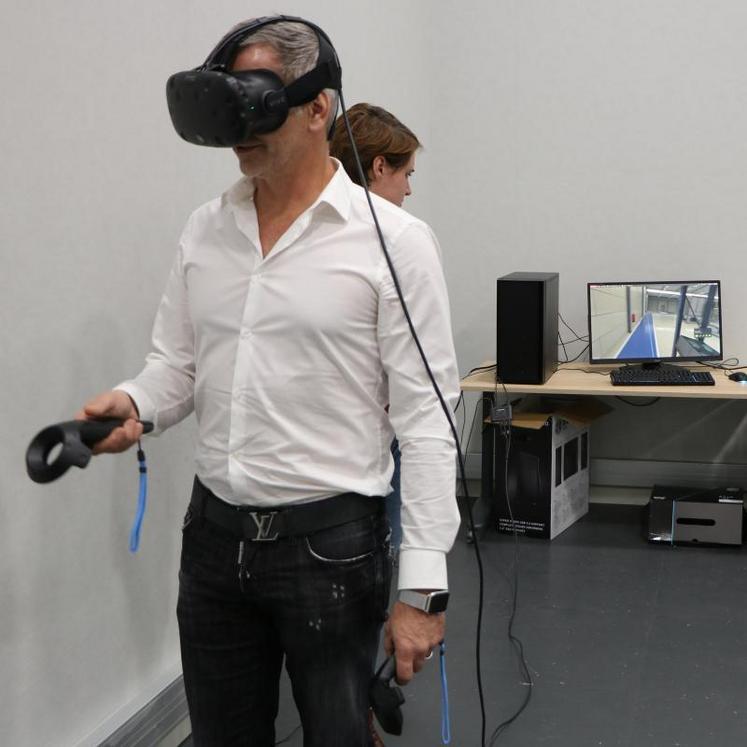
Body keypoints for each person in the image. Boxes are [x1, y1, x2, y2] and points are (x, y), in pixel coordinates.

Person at [76, 17, 460, 747]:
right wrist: (135, 406)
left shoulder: (395, 244)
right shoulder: (205, 229)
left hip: (332, 550)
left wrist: (420, 587)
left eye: (258, 107)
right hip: (214, 542)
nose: (238, 134)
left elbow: (427, 418)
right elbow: (176, 368)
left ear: (320, 110)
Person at [330, 104, 421, 556]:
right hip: (370, 441)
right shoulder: (399, 242)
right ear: (379, 166)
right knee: (383, 553)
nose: (408, 189)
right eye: (406, 175)